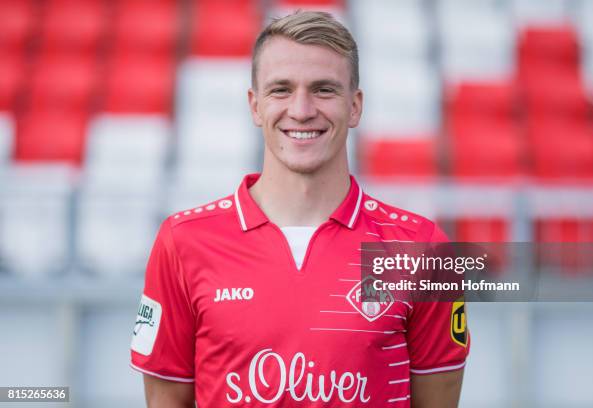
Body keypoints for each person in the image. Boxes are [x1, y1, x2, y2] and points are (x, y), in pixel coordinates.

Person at [130, 11, 469, 407]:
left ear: (355, 106)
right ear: (255, 107)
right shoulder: (183, 243)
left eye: (324, 89)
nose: (302, 109)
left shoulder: (422, 249)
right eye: (281, 90)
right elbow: (167, 399)